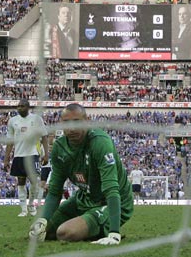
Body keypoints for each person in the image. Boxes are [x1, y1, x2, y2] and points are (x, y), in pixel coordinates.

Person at [29, 103, 133, 245]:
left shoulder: (100, 143)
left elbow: (111, 189)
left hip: (111, 203)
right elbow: (54, 191)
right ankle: (88, 225)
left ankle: (100, 226)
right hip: (84, 199)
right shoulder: (60, 148)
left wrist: (114, 233)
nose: (71, 128)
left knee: (64, 232)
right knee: (41, 231)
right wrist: (42, 220)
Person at [3, 98, 49, 217]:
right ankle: (23, 209)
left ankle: (31, 205)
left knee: (34, 180)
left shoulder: (36, 119)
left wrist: (46, 154)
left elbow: (44, 136)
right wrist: (6, 158)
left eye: (22, 106)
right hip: (19, 155)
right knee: (21, 181)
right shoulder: (13, 121)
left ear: (28, 107)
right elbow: (10, 141)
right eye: (18, 106)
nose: (19, 108)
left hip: (33, 154)